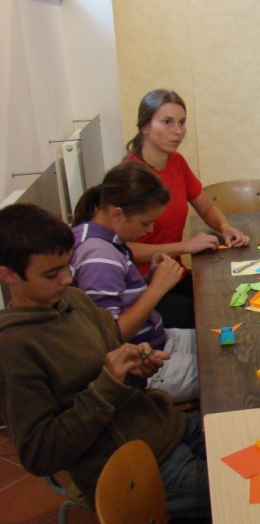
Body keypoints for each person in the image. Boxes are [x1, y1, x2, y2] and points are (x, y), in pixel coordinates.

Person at [0, 204, 212, 524]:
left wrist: (137, 369)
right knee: (242, 496)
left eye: (67, 266)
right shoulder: (14, 347)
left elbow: (117, 372)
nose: (67, 279)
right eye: (51, 274)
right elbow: (40, 454)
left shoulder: (74, 301)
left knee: (250, 452)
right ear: (8, 275)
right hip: (127, 466)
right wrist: (106, 385)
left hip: (162, 429)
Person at [71, 161, 199, 403]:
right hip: (141, 367)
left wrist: (148, 278)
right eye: (145, 223)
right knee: (229, 372)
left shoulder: (98, 235)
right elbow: (109, 337)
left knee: (223, 346)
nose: (150, 230)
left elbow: (120, 297)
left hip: (157, 339)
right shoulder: (98, 255)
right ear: (117, 214)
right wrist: (157, 288)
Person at [126, 88, 250, 328]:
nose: (178, 131)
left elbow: (206, 207)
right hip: (144, 284)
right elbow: (125, 249)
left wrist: (225, 226)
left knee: (232, 302)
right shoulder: (132, 176)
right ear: (145, 127)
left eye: (182, 122)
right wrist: (185, 247)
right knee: (213, 320)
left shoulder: (177, 162)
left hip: (175, 273)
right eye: (167, 122)